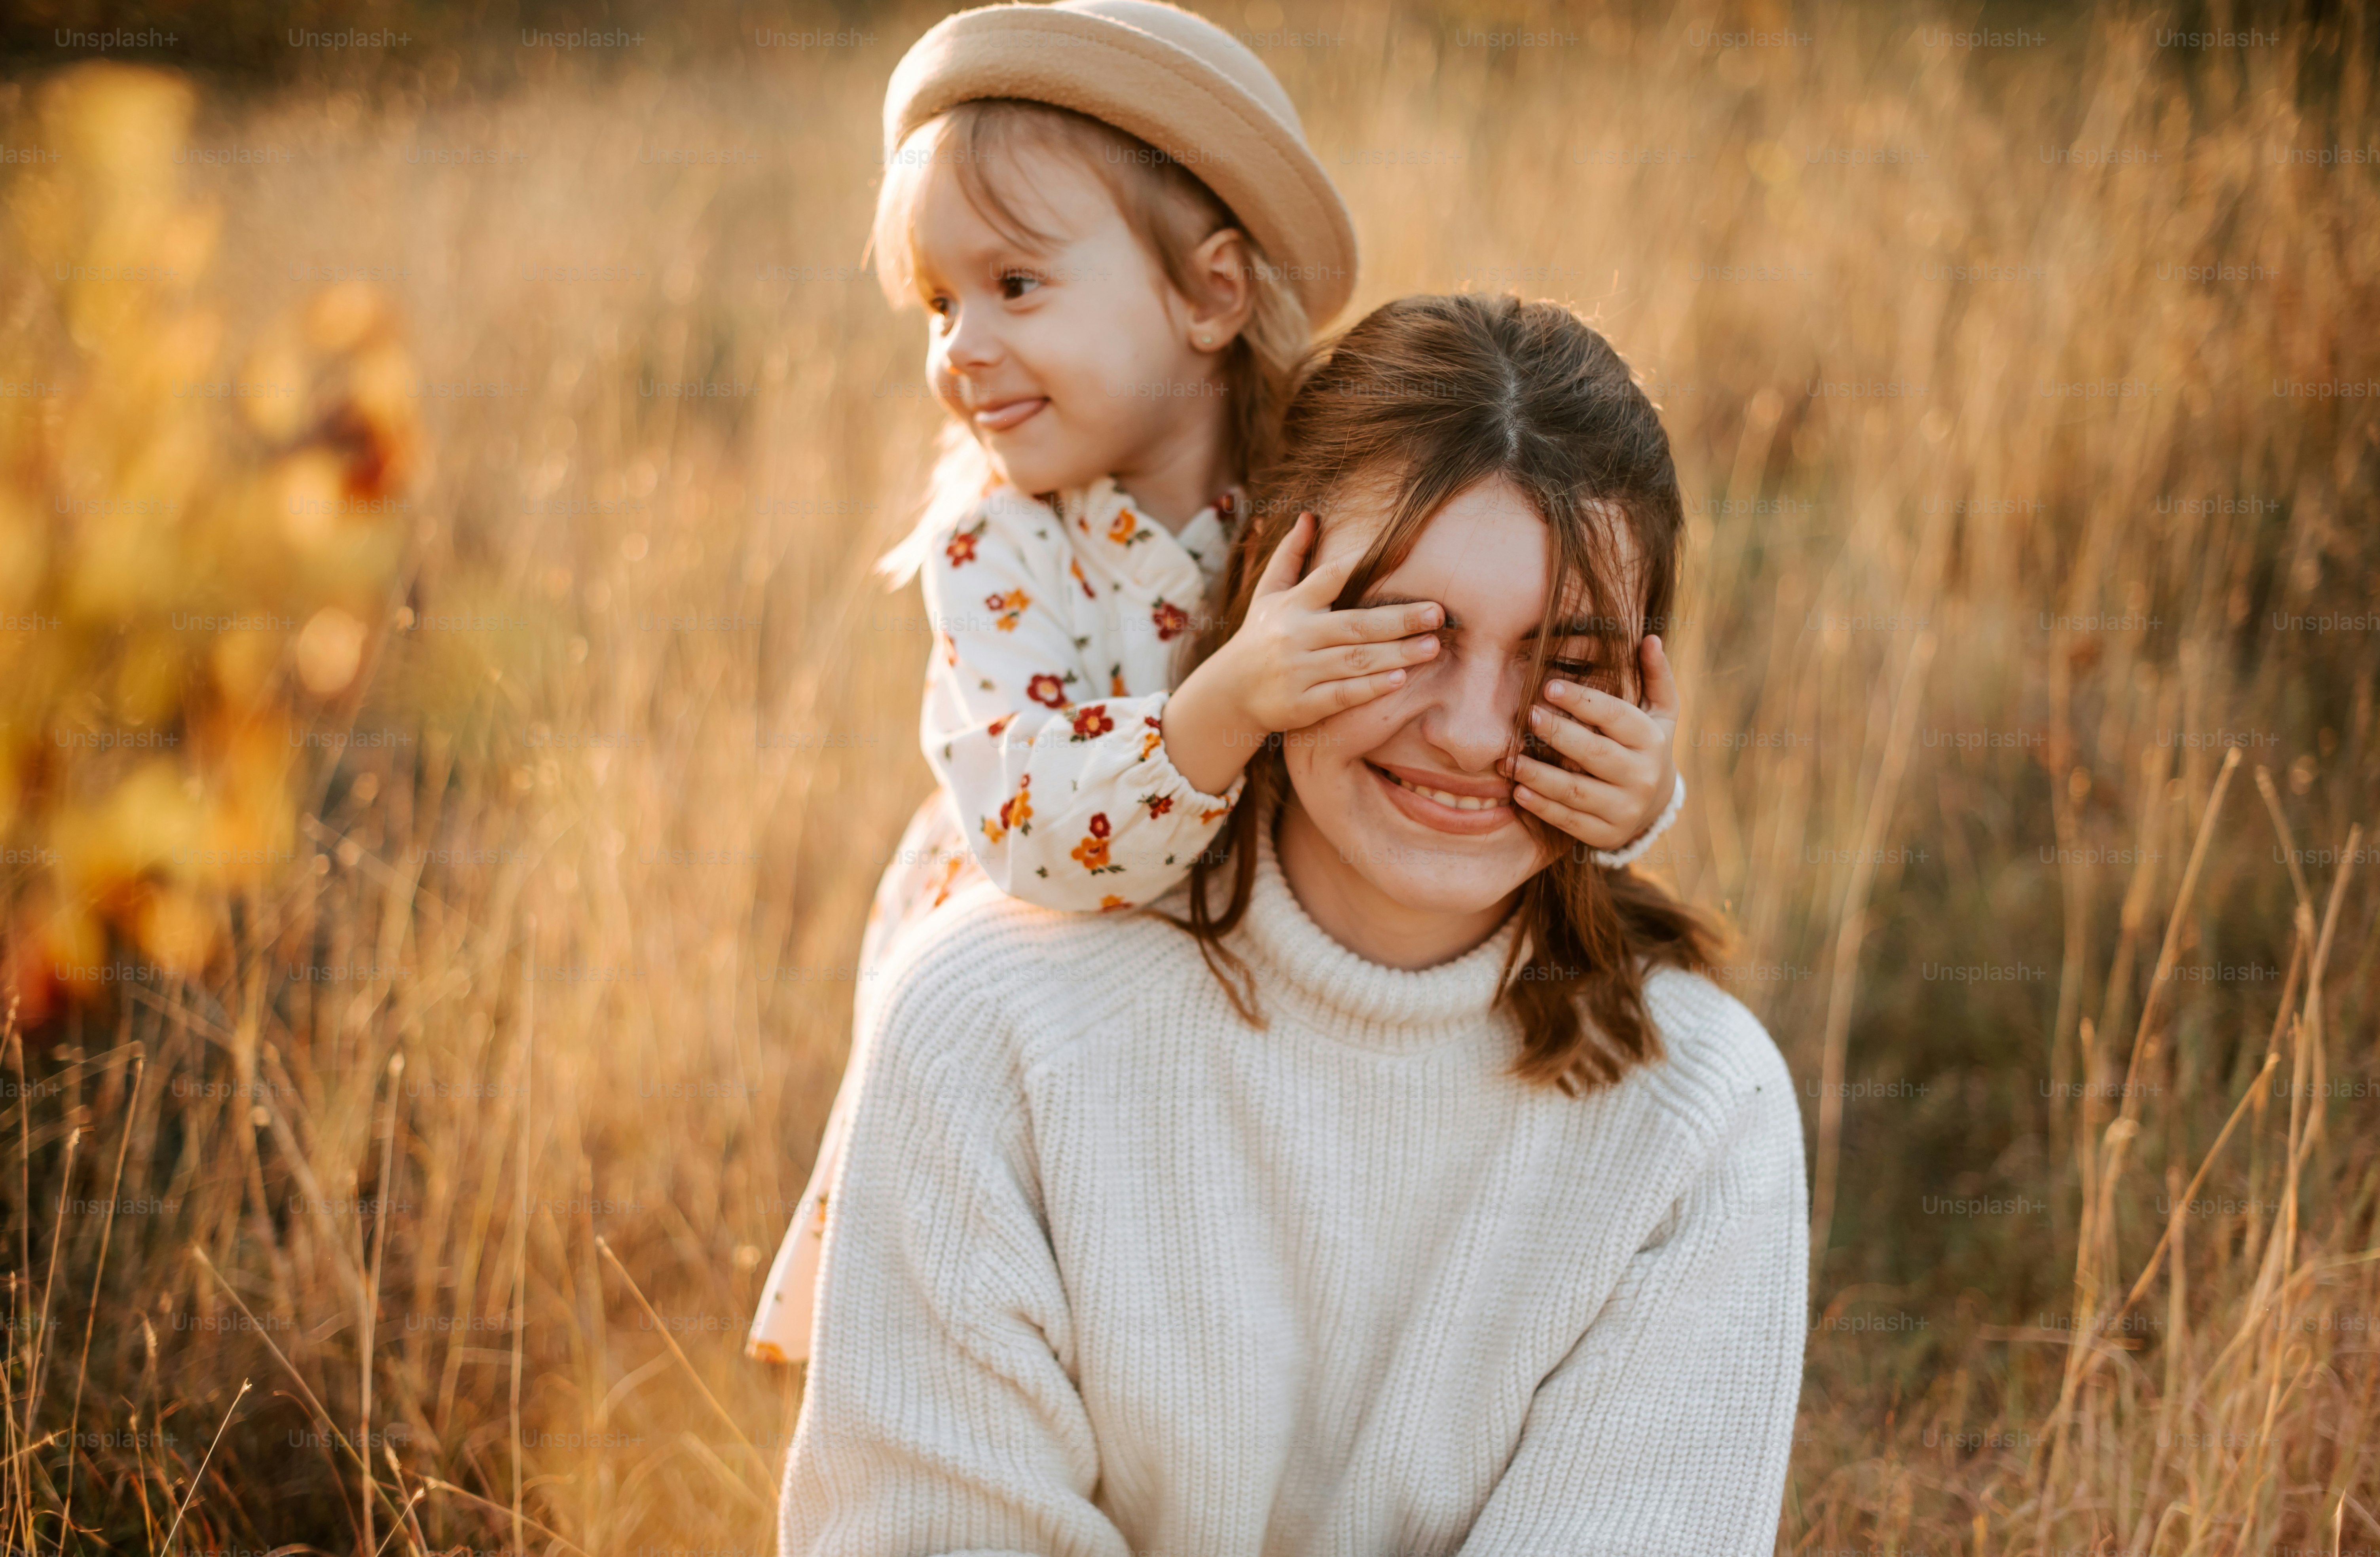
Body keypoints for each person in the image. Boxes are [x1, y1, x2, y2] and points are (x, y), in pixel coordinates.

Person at [778, 292, 1807, 1556]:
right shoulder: (987, 1026)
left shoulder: (1701, 1114)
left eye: (1565, 659)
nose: (1477, 730)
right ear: (1267, 600)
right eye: (1403, 632)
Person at [747, 0, 1686, 1365]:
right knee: (1069, 1286)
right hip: (1059, 929)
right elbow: (1034, 834)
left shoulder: (1321, 465)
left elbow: (1498, 651)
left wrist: (1639, 794)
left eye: (1016, 286)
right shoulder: (994, 543)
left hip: (1272, 939)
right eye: (940, 304)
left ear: (1212, 295)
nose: (961, 348)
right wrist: (1231, 701)